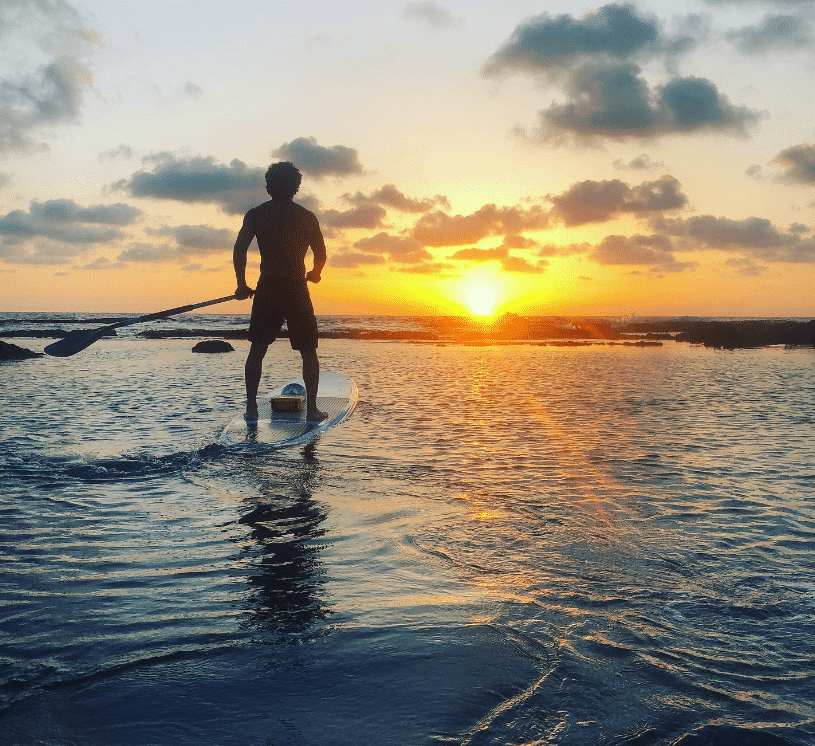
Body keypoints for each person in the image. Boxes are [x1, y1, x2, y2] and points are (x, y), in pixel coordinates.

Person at [233, 161, 327, 423]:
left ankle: (252, 409)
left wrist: (241, 283)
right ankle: (311, 411)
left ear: (268, 185)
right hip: (296, 287)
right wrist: (315, 273)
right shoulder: (307, 217)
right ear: (296, 187)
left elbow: (240, 249)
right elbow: (321, 252)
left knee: (258, 348)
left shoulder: (256, 214)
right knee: (308, 351)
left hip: (268, 286)